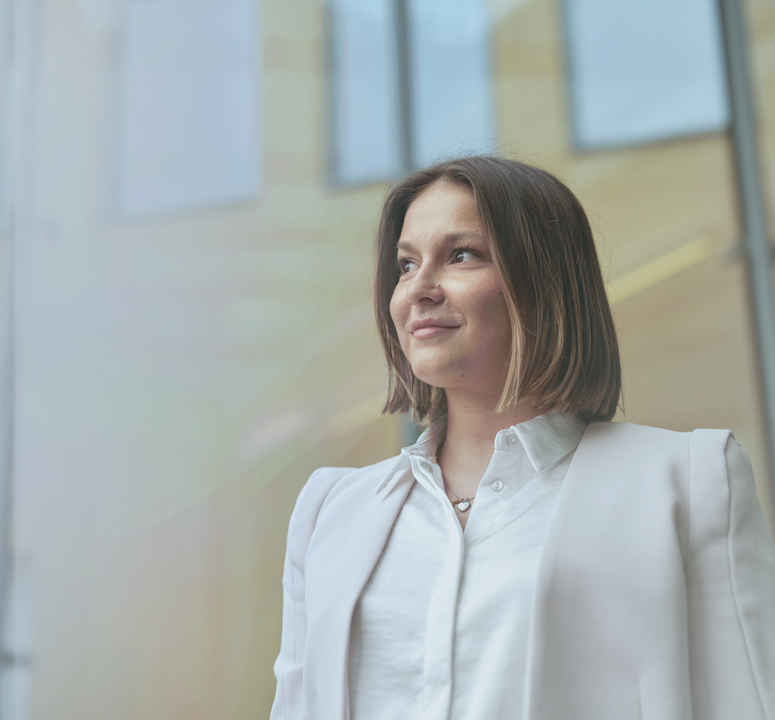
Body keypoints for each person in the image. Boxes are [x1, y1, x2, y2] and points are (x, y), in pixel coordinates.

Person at [269, 156, 775, 720]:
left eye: (461, 255)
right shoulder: (330, 512)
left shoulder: (691, 482)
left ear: (544, 281)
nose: (419, 289)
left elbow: (746, 702)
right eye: (407, 264)